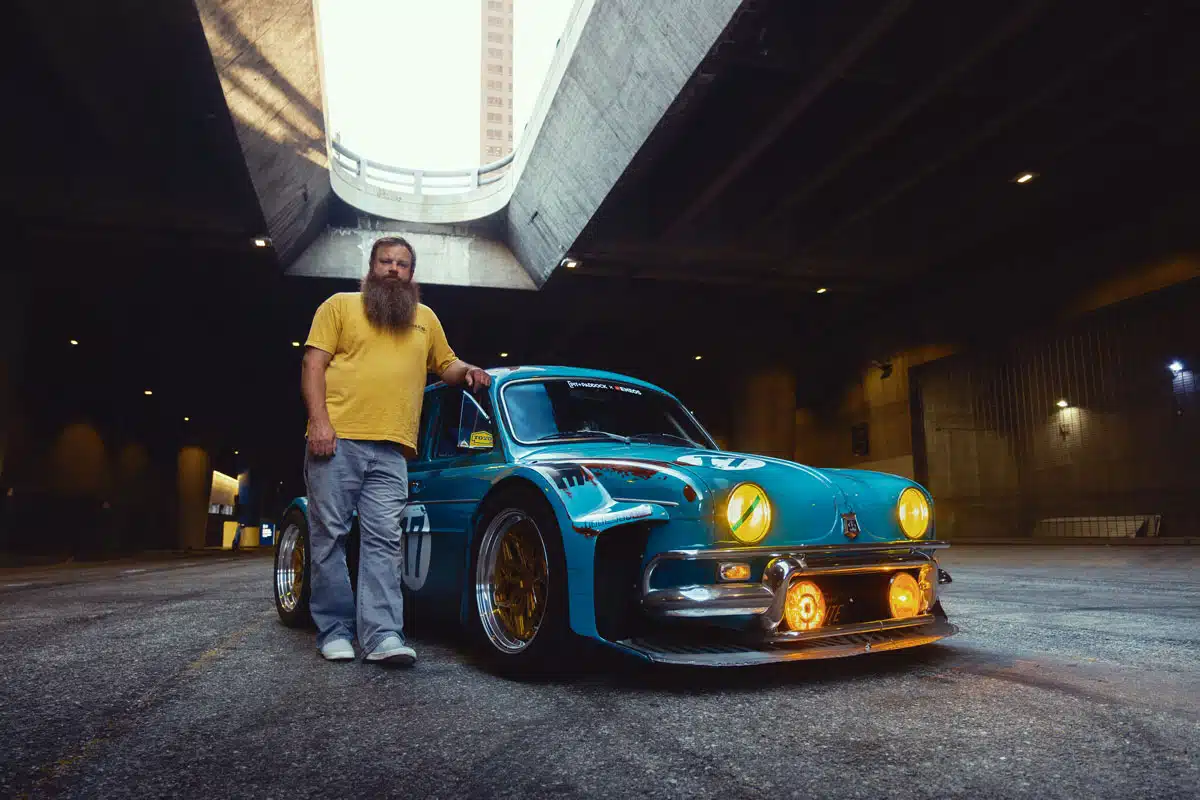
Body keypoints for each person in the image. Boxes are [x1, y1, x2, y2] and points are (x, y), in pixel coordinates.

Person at [301, 235, 491, 666]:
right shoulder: (339, 306)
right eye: (385, 261)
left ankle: (382, 635)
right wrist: (320, 423)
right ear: (371, 268)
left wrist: (470, 372)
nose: (393, 269)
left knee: (385, 541)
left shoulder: (424, 318)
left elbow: (446, 365)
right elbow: (313, 363)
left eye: (402, 264)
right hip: (338, 439)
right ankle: (334, 629)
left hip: (393, 450)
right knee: (329, 536)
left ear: (411, 273)